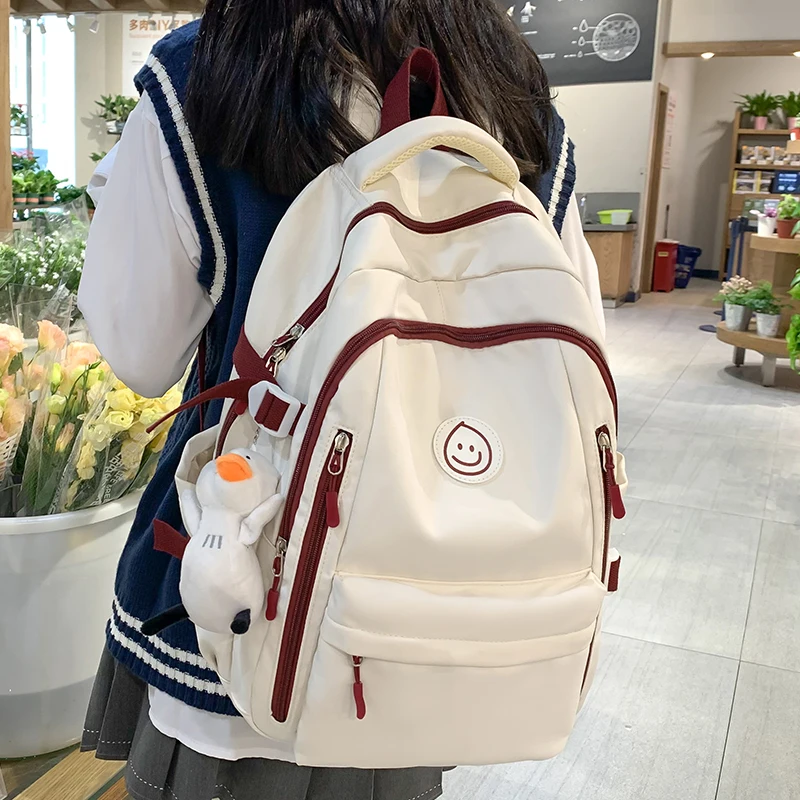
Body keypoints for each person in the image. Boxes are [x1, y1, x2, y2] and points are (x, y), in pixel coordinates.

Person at [78, 2, 605, 798]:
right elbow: (576, 347)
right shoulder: (513, 89)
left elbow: (138, 352)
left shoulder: (205, 71)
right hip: (439, 616)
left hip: (237, 605)